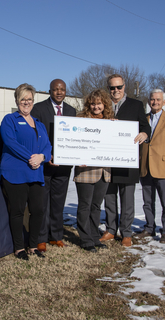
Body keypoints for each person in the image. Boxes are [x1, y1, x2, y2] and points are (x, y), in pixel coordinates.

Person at [0, 83, 52, 260]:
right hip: (15, 172)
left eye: (29, 99)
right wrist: (32, 157)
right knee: (18, 211)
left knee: (38, 210)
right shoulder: (10, 119)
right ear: (17, 100)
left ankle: (33, 245)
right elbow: (11, 142)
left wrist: (42, 157)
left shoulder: (39, 124)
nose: (26, 102)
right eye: (23, 99)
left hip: (35, 172)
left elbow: (47, 146)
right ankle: (19, 248)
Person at [100, 74, 151, 247]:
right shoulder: (103, 105)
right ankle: (111, 230)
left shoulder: (136, 105)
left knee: (127, 199)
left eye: (119, 87)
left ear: (124, 87)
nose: (116, 91)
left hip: (127, 159)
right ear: (108, 89)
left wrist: (145, 133)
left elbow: (145, 126)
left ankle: (126, 232)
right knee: (109, 197)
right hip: (107, 160)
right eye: (112, 88)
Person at [30, 79, 77, 252]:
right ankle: (41, 238)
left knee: (58, 202)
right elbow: (35, 135)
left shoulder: (72, 111)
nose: (59, 92)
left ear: (66, 91)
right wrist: (45, 155)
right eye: (55, 89)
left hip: (64, 167)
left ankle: (56, 236)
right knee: (42, 203)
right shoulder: (39, 109)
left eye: (62, 89)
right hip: (44, 165)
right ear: (50, 91)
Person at [136, 89, 165, 244]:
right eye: (152, 99)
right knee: (147, 202)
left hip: (164, 167)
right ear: (149, 101)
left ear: (164, 102)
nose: (155, 102)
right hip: (145, 166)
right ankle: (149, 227)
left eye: (158, 99)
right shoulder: (144, 119)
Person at [74, 89, 114, 252]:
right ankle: (85, 240)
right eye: (93, 103)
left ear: (104, 104)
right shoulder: (80, 120)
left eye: (99, 103)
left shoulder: (111, 122)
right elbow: (72, 143)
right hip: (85, 171)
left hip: (104, 171)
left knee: (96, 206)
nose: (96, 107)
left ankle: (94, 237)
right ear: (88, 104)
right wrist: (77, 157)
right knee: (85, 205)